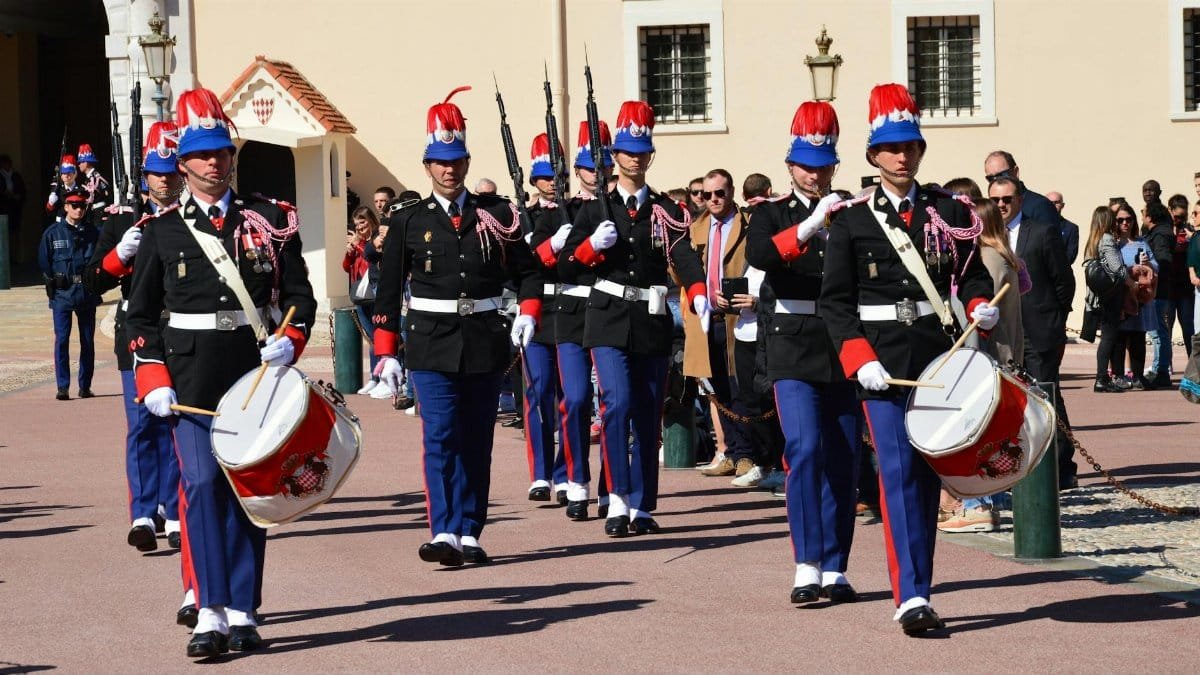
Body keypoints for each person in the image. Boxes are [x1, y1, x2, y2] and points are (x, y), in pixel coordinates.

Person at [125, 87, 317, 658]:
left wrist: (291, 340)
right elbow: (139, 316)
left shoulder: (269, 219)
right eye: (203, 155)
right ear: (182, 164)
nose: (215, 163)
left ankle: (242, 609)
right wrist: (152, 379)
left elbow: (300, 296)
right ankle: (207, 608)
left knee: (247, 494)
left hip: (254, 379)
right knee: (203, 487)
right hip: (190, 383)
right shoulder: (162, 231)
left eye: (222, 153)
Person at [820, 83, 995, 635]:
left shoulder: (947, 210)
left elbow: (970, 274)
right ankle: (910, 597)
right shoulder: (851, 219)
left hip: (937, 358)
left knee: (925, 475)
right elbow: (835, 301)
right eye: (892, 148)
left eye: (911, 147)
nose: (902, 156)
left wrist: (978, 304)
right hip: (881, 365)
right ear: (874, 155)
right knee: (896, 472)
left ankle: (921, 583)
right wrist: (858, 358)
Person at [372, 87, 542, 565]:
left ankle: (470, 529)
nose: (450, 169)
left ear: (467, 162)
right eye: (441, 161)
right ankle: (443, 529)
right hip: (430, 342)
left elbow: (528, 271)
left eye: (457, 160)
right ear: (427, 166)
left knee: (475, 440)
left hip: (484, 340)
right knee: (440, 436)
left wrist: (529, 310)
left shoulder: (497, 214)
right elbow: (388, 291)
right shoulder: (409, 220)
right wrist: (386, 350)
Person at [559, 100, 706, 537]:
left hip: (651, 317)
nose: (635, 159)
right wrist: (591, 248)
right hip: (605, 317)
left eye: (643, 152)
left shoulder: (666, 210)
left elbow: (682, 254)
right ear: (615, 157)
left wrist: (697, 292)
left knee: (645, 412)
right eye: (628, 152)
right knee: (617, 402)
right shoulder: (592, 209)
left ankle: (641, 504)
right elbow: (566, 266)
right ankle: (616, 497)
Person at [745, 100, 861, 604]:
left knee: (844, 457)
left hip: (843, 341)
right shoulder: (770, 212)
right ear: (790, 167)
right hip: (791, 342)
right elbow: (761, 254)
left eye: (823, 168)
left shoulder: (854, 213)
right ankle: (807, 563)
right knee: (806, 449)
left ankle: (835, 566)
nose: (815, 176)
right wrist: (812, 224)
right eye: (806, 168)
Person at [83, 120, 184, 558]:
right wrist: (118, 255)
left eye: (171, 171)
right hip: (137, 332)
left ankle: (175, 510)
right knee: (142, 424)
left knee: (177, 424)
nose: (165, 179)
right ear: (144, 176)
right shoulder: (122, 220)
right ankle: (144, 513)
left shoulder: (191, 218)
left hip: (181, 330)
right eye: (157, 172)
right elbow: (90, 280)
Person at [531, 120, 614, 520]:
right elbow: (536, 263)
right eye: (588, 169)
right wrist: (563, 244)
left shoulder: (616, 210)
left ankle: (610, 487)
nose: (596, 175)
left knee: (612, 402)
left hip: (609, 311)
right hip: (567, 311)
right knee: (576, 399)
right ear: (577, 172)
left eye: (602, 167)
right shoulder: (550, 216)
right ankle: (575, 479)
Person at [938, 197, 1023, 533]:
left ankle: (976, 504)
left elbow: (973, 315)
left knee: (975, 432)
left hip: (985, 355)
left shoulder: (987, 259)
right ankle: (993, 495)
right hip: (1005, 354)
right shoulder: (1005, 258)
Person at [988, 175, 1077, 488]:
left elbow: (1064, 281)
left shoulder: (1042, 233)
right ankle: (1022, 469)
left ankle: (1061, 467)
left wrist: (1056, 319)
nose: (1001, 206)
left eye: (1007, 200)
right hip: (1005, 336)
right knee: (1013, 402)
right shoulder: (985, 236)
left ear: (1020, 201)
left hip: (1040, 331)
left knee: (1046, 397)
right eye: (995, 200)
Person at [687, 169, 756, 480]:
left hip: (739, 319)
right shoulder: (694, 228)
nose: (713, 200)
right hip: (705, 318)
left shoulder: (748, 225)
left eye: (720, 193)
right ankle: (728, 450)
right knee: (717, 389)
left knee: (742, 388)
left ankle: (747, 455)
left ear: (731, 194)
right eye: (706, 194)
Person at [521, 132, 568, 501]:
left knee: (572, 396)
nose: (553, 182)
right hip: (537, 311)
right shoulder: (523, 217)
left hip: (571, 310)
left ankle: (565, 471)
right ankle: (540, 472)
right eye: (546, 177)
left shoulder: (578, 210)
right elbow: (525, 264)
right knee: (539, 393)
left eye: (557, 176)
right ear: (535, 180)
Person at [39, 187, 99, 400]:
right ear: (65, 207)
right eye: (74, 206)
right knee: (62, 340)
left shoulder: (93, 232)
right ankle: (63, 387)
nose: (79, 210)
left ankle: (85, 386)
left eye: (82, 206)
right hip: (63, 294)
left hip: (86, 293)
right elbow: (44, 262)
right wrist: (54, 282)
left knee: (87, 341)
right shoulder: (53, 233)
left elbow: (99, 259)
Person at [1112, 202, 1159, 390]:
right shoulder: (1113, 244)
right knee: (1119, 338)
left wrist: (1149, 263)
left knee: (1138, 337)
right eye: (1120, 220)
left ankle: (1138, 376)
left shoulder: (1142, 243)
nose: (1125, 223)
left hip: (1140, 298)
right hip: (1121, 297)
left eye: (1128, 219)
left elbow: (1156, 267)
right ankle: (1118, 376)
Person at [1084, 207, 1130, 392]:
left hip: (1097, 296)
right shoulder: (1107, 239)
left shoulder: (1093, 240)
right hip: (1110, 297)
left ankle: (1105, 377)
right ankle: (1101, 378)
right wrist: (1130, 276)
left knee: (1108, 337)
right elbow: (1118, 269)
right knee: (1109, 338)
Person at [344, 205, 387, 396]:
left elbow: (371, 256)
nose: (360, 228)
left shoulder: (376, 239)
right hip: (361, 293)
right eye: (356, 225)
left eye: (362, 223)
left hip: (375, 291)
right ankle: (374, 377)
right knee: (370, 338)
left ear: (371, 221)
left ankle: (384, 377)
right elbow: (346, 267)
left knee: (380, 335)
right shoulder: (359, 242)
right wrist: (350, 250)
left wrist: (359, 245)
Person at [1143, 202, 1176, 387]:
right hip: (1161, 288)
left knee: (1157, 332)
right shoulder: (1162, 232)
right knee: (1158, 331)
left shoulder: (1159, 235)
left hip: (1158, 290)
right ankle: (1160, 368)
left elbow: (1163, 260)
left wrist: (1152, 274)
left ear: (1150, 216)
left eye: (1143, 213)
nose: (1142, 215)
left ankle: (1161, 370)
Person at [981, 150, 1060, 226]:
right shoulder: (989, 209)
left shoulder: (1040, 206)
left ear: (1016, 172)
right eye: (991, 178)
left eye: (1001, 175)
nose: (996, 181)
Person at [1166, 194, 1196, 357]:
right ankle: (1165, 367)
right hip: (1168, 287)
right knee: (1166, 329)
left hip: (1185, 287)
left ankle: (1194, 366)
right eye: (1176, 216)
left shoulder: (1190, 230)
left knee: (1188, 328)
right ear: (1169, 211)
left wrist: (1191, 243)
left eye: (1182, 217)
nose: (1179, 220)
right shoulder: (1163, 230)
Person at [0, 154, 26, 261]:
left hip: (15, 209)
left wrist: (17, 196)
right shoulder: (0, 176)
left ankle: (14, 257)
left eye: (7, 164)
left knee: (14, 234)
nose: (6, 166)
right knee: (3, 234)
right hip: (2, 209)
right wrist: (4, 194)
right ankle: (5, 258)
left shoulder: (15, 176)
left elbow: (23, 191)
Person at [76, 144, 112, 213]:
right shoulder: (88, 178)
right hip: (92, 211)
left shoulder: (97, 178)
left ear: (86, 163)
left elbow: (107, 194)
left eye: (80, 162)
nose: (79, 165)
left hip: (99, 212)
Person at [1046, 190, 1080, 264]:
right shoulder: (1035, 225)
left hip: (1061, 272)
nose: (1053, 205)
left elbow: (1070, 255)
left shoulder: (1071, 228)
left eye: (1056, 202)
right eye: (1049, 202)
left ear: (1062, 205)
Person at [45, 154, 80, 219]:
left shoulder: (80, 190)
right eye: (63, 173)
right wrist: (50, 203)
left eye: (69, 173)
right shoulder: (57, 190)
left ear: (75, 174)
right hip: (60, 225)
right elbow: (49, 213)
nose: (66, 176)